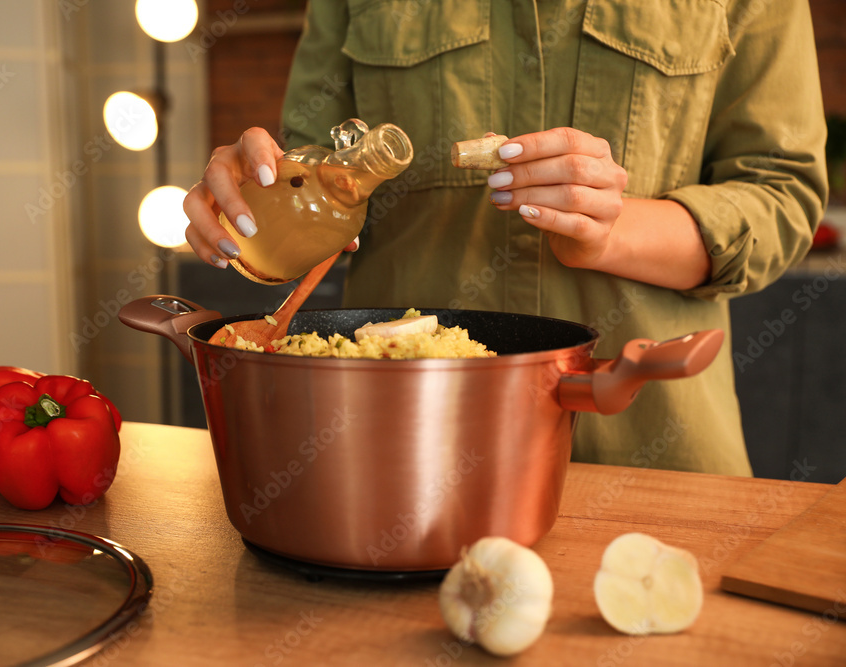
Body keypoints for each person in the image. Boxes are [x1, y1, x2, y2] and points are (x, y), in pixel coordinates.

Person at [183, 1, 828, 476]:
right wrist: (251, 199)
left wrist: (611, 230)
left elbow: (783, 197)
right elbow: (317, 172)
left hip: (651, 449)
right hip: (399, 454)